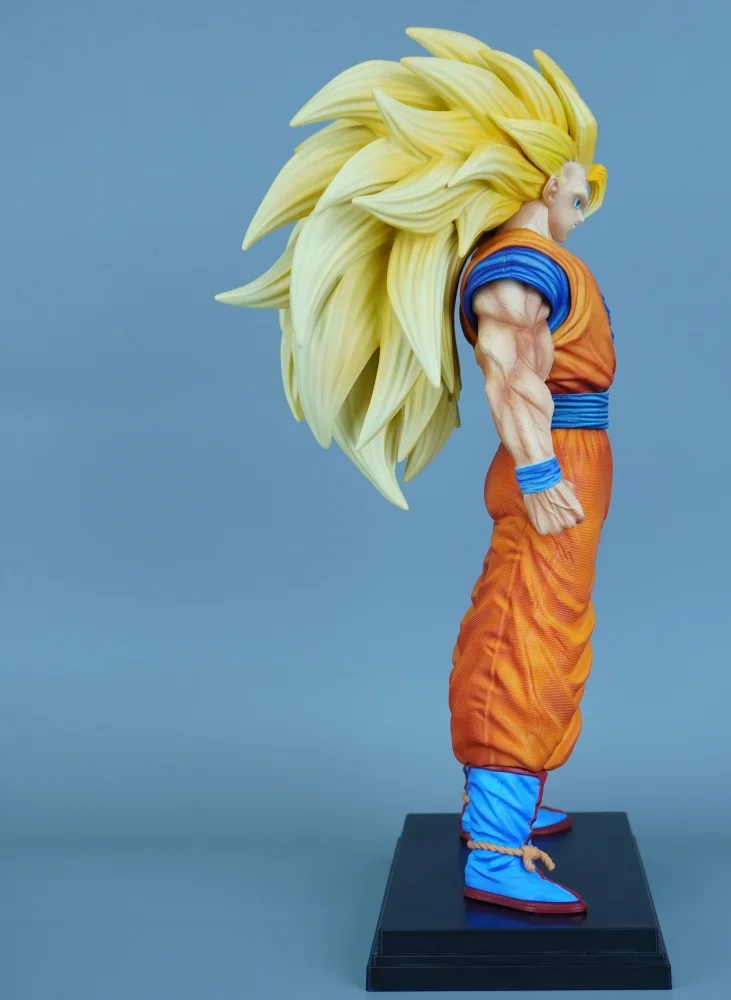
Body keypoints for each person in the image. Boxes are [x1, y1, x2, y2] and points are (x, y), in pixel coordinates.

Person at [217, 26, 614, 915]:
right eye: (583, 180)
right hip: (554, 462)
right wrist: (540, 473)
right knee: (526, 631)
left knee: (551, 626)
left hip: (573, 459)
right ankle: (495, 845)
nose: (587, 198)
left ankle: (508, 802)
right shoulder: (517, 270)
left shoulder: (534, 262)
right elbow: (509, 372)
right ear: (546, 178)